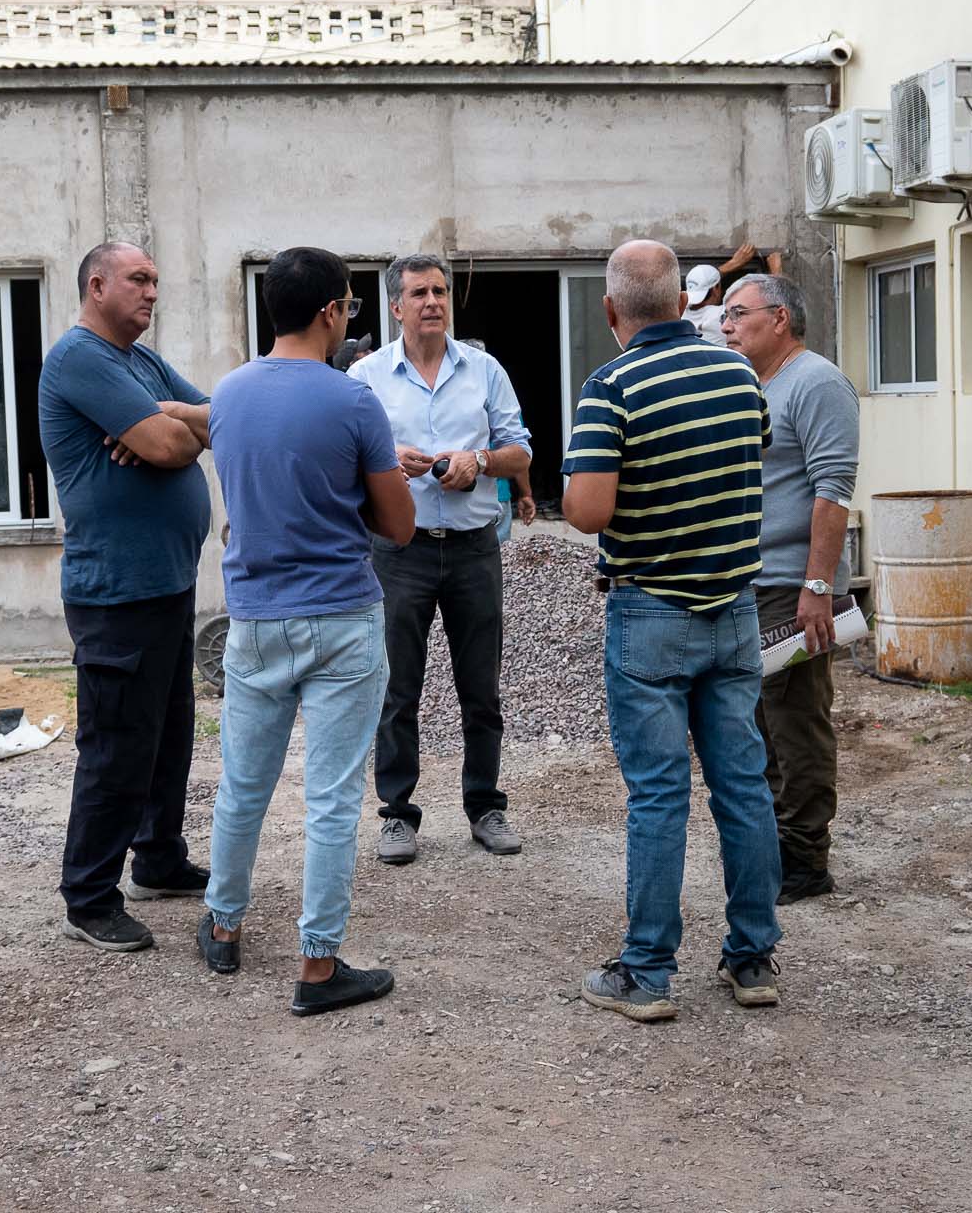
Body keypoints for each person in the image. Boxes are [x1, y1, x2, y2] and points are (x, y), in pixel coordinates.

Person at [561, 239, 783, 1023]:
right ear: (682, 304)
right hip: (733, 609)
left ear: (611, 309)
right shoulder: (736, 370)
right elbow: (750, 454)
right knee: (744, 790)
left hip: (651, 611)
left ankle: (648, 972)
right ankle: (753, 959)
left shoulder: (611, 385)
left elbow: (586, 511)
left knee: (658, 797)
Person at [201, 246, 419, 1016]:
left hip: (256, 619)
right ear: (332, 311)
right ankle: (317, 968)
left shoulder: (228, 395)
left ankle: (223, 927)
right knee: (330, 800)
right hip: (341, 620)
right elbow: (398, 524)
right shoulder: (353, 402)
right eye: (351, 306)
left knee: (244, 785)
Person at [38, 241, 217, 953]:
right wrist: (166, 433)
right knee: (115, 747)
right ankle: (88, 898)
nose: (151, 292)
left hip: (167, 583)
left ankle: (159, 859)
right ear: (97, 285)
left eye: (155, 280)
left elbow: (213, 418)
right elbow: (175, 447)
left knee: (169, 736)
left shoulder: (139, 363)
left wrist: (167, 418)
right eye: (139, 279)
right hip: (115, 594)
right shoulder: (81, 358)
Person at [348, 255, 533, 866]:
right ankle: (397, 815)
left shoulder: (484, 370)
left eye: (439, 291)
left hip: (476, 547)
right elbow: (343, 455)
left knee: (480, 689)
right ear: (394, 307)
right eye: (418, 293)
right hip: (399, 552)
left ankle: (485, 806)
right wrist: (383, 456)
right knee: (397, 689)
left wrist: (477, 462)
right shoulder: (366, 376)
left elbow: (519, 450)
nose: (432, 301)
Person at [721, 273, 860, 904]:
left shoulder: (817, 382)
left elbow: (833, 491)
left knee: (797, 720)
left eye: (737, 312)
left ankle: (806, 858)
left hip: (790, 586)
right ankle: (777, 848)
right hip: (749, 583)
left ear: (779, 318)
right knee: (756, 724)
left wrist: (817, 586)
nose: (726, 324)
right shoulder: (754, 383)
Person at [686, 244, 781, 345]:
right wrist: (776, 273)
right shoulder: (721, 315)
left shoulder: (680, 313)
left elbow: (703, 282)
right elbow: (773, 306)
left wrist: (733, 263)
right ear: (715, 290)